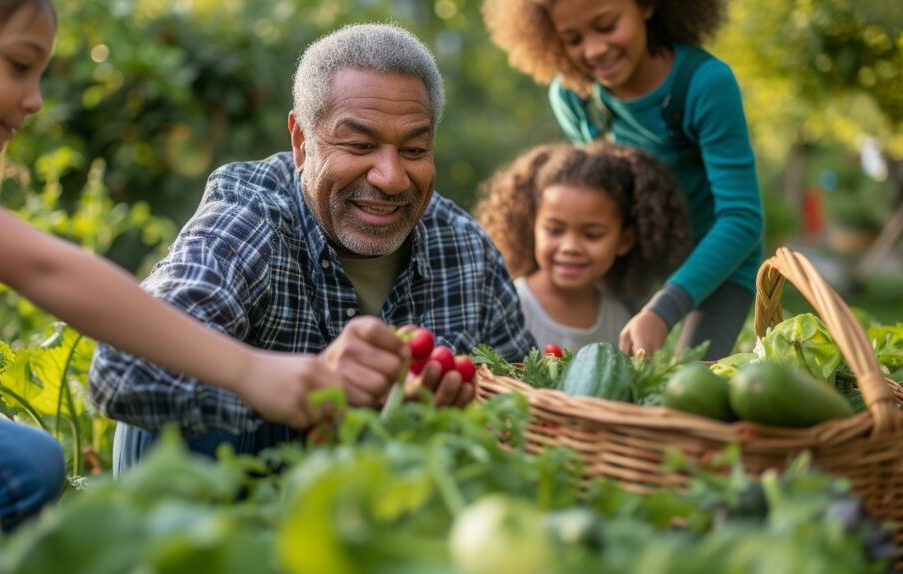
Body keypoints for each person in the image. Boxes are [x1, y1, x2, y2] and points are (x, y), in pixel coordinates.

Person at [0, 0, 342, 567]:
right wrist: (249, 369)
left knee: (18, 464)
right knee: (14, 468)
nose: (35, 97)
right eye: (19, 66)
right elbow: (46, 270)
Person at [88, 23, 538, 472]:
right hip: (230, 511)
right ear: (301, 142)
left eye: (415, 149)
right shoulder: (250, 220)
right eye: (360, 144)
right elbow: (122, 369)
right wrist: (290, 385)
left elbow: (531, 403)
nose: (392, 177)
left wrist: (471, 409)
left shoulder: (464, 249)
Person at [482, 0, 764, 360]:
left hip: (719, 264)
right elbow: (598, 194)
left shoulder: (704, 85)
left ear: (646, 6)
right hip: (638, 260)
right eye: (573, 38)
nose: (594, 50)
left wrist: (663, 309)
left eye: (606, 25)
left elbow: (742, 219)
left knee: (694, 387)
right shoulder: (575, 95)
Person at [475, 142, 688, 354]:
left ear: (624, 241)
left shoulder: (619, 319)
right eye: (555, 230)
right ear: (532, 227)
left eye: (592, 235)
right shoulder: (509, 305)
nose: (570, 247)